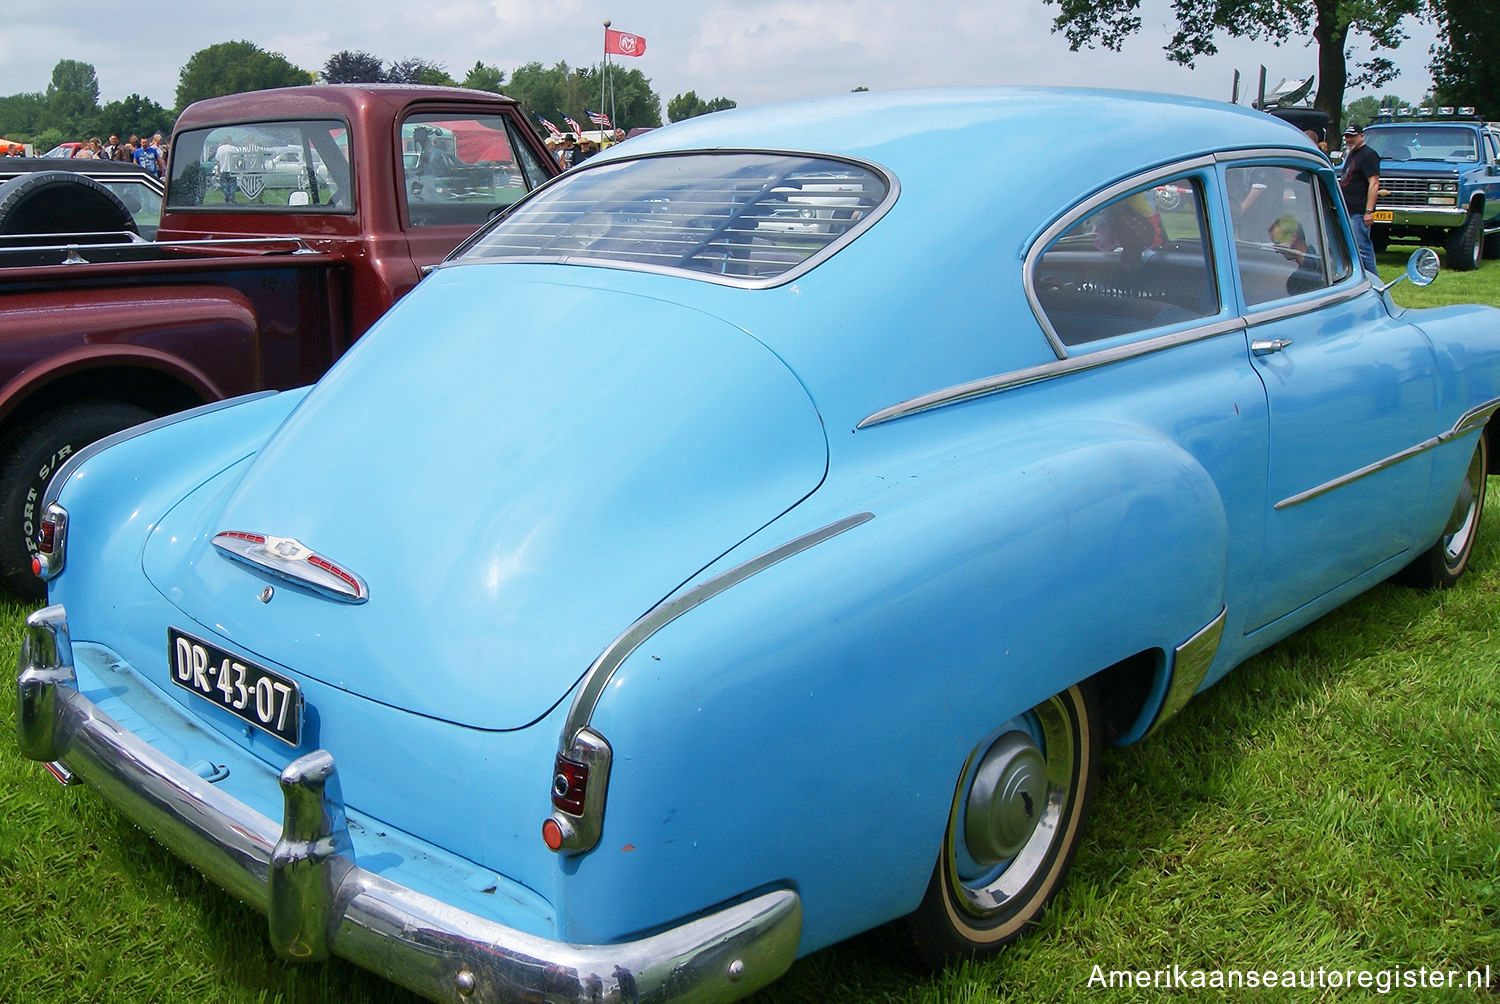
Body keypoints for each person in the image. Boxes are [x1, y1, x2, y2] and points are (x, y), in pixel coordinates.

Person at [1340, 123, 1381, 275]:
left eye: (1352, 136)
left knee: (1363, 249)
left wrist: (1368, 211)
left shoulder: (1369, 155)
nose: (1349, 139)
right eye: (1347, 136)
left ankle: (1373, 281)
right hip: (1347, 209)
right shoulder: (1351, 154)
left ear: (1361, 136)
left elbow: (1374, 183)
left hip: (1358, 212)